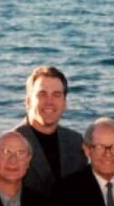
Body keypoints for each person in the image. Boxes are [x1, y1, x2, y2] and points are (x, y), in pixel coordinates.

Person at [11, 65, 87, 195]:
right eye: (42, 94)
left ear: (65, 103)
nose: (49, 102)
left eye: (56, 95)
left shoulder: (76, 142)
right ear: (28, 101)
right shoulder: (8, 145)